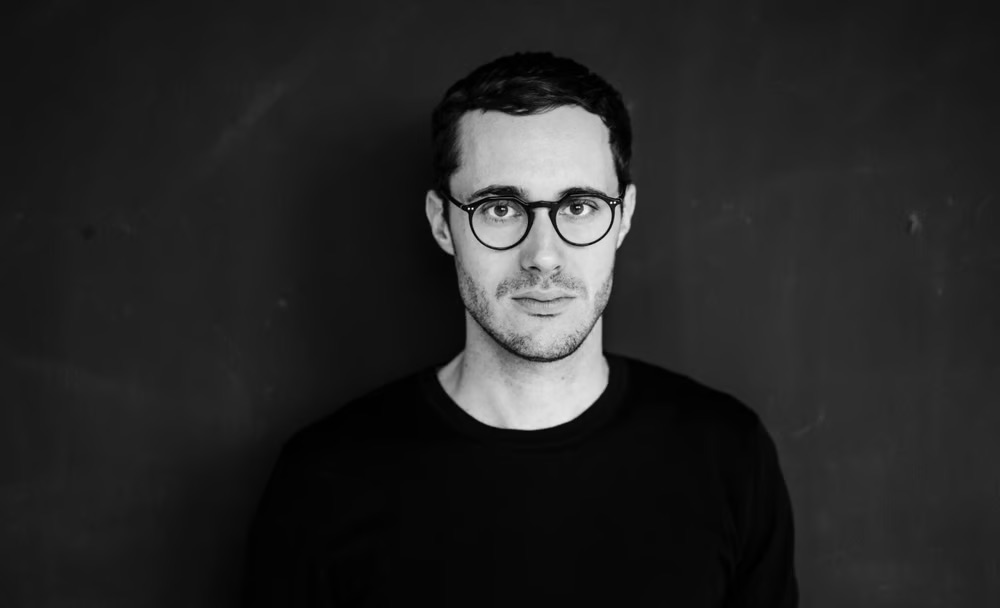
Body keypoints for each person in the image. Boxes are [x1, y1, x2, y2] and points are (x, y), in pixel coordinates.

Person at [242, 51, 798, 607]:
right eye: (501, 209)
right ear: (442, 223)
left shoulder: (728, 456)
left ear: (623, 217)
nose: (543, 256)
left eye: (578, 207)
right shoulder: (325, 479)